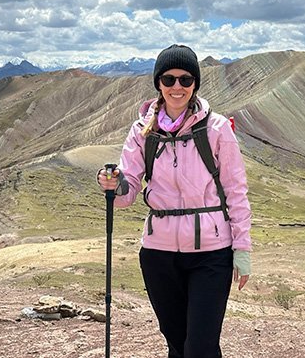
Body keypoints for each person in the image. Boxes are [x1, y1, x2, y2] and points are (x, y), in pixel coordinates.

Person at [97, 44, 252, 358]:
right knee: (177, 344)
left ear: (195, 83)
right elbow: (127, 191)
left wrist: (243, 249)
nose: (177, 87)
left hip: (212, 252)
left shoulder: (218, 129)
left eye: (185, 79)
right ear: (158, 83)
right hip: (158, 254)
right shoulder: (142, 131)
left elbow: (236, 191)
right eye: (168, 80)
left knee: (200, 347)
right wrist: (113, 185)